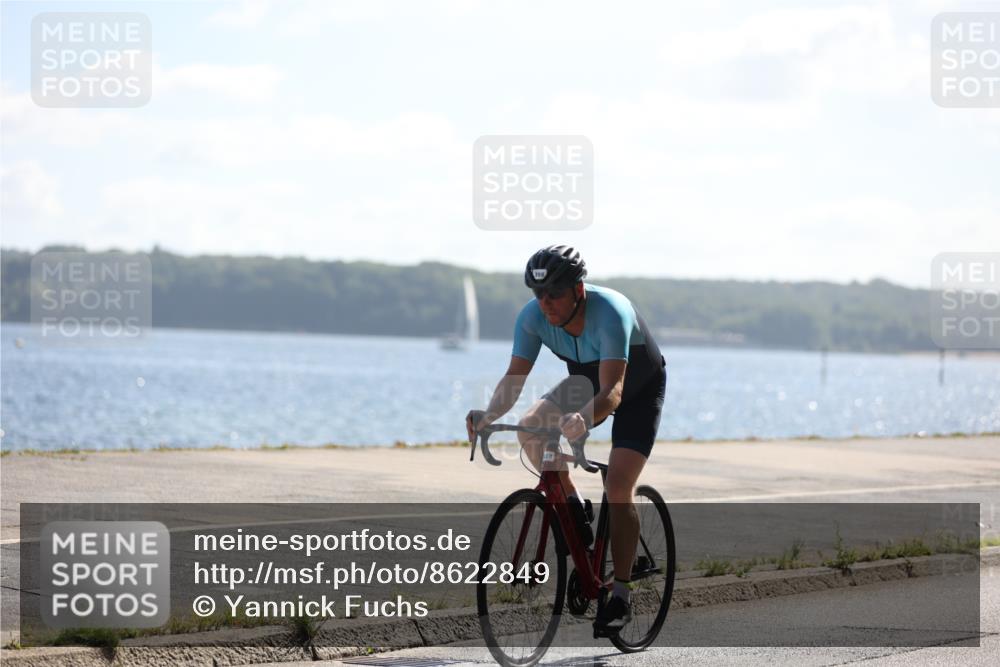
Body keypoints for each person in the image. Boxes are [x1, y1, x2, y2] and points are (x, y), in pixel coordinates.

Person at [466, 244, 667, 634]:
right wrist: (487, 416)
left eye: (554, 293)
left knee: (618, 484)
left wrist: (585, 418)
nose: (545, 303)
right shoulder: (532, 317)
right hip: (586, 382)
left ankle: (621, 595)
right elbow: (513, 379)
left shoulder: (609, 312)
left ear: (578, 290)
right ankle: (573, 505)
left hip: (636, 387)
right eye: (538, 293)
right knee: (530, 427)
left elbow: (613, 392)